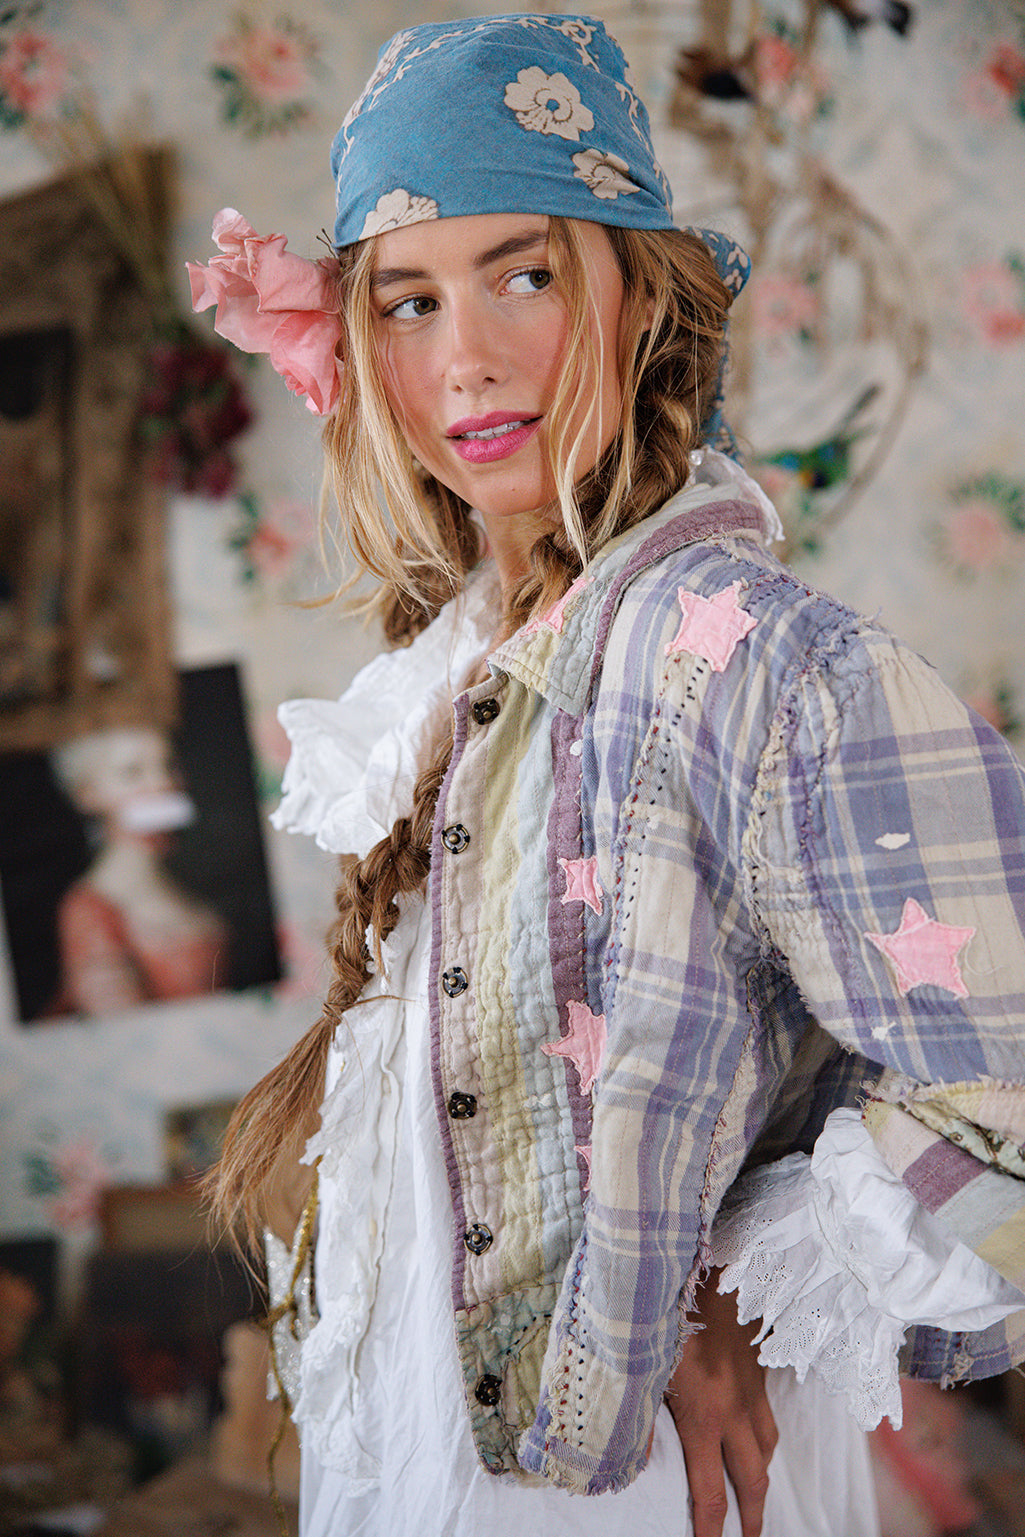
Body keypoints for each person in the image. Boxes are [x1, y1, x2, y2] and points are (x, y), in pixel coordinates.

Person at [187, 16, 1025, 1537]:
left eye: (525, 275)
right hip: (439, 1457)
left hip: (639, 1486)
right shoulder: (457, 667)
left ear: (636, 296)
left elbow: (1006, 1082)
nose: (466, 357)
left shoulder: (760, 665)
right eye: (408, 301)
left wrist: (734, 1277)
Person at [48, 726, 226, 1015]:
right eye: (132, 772)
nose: (163, 783)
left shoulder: (189, 879)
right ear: (87, 794)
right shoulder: (90, 912)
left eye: (169, 766)